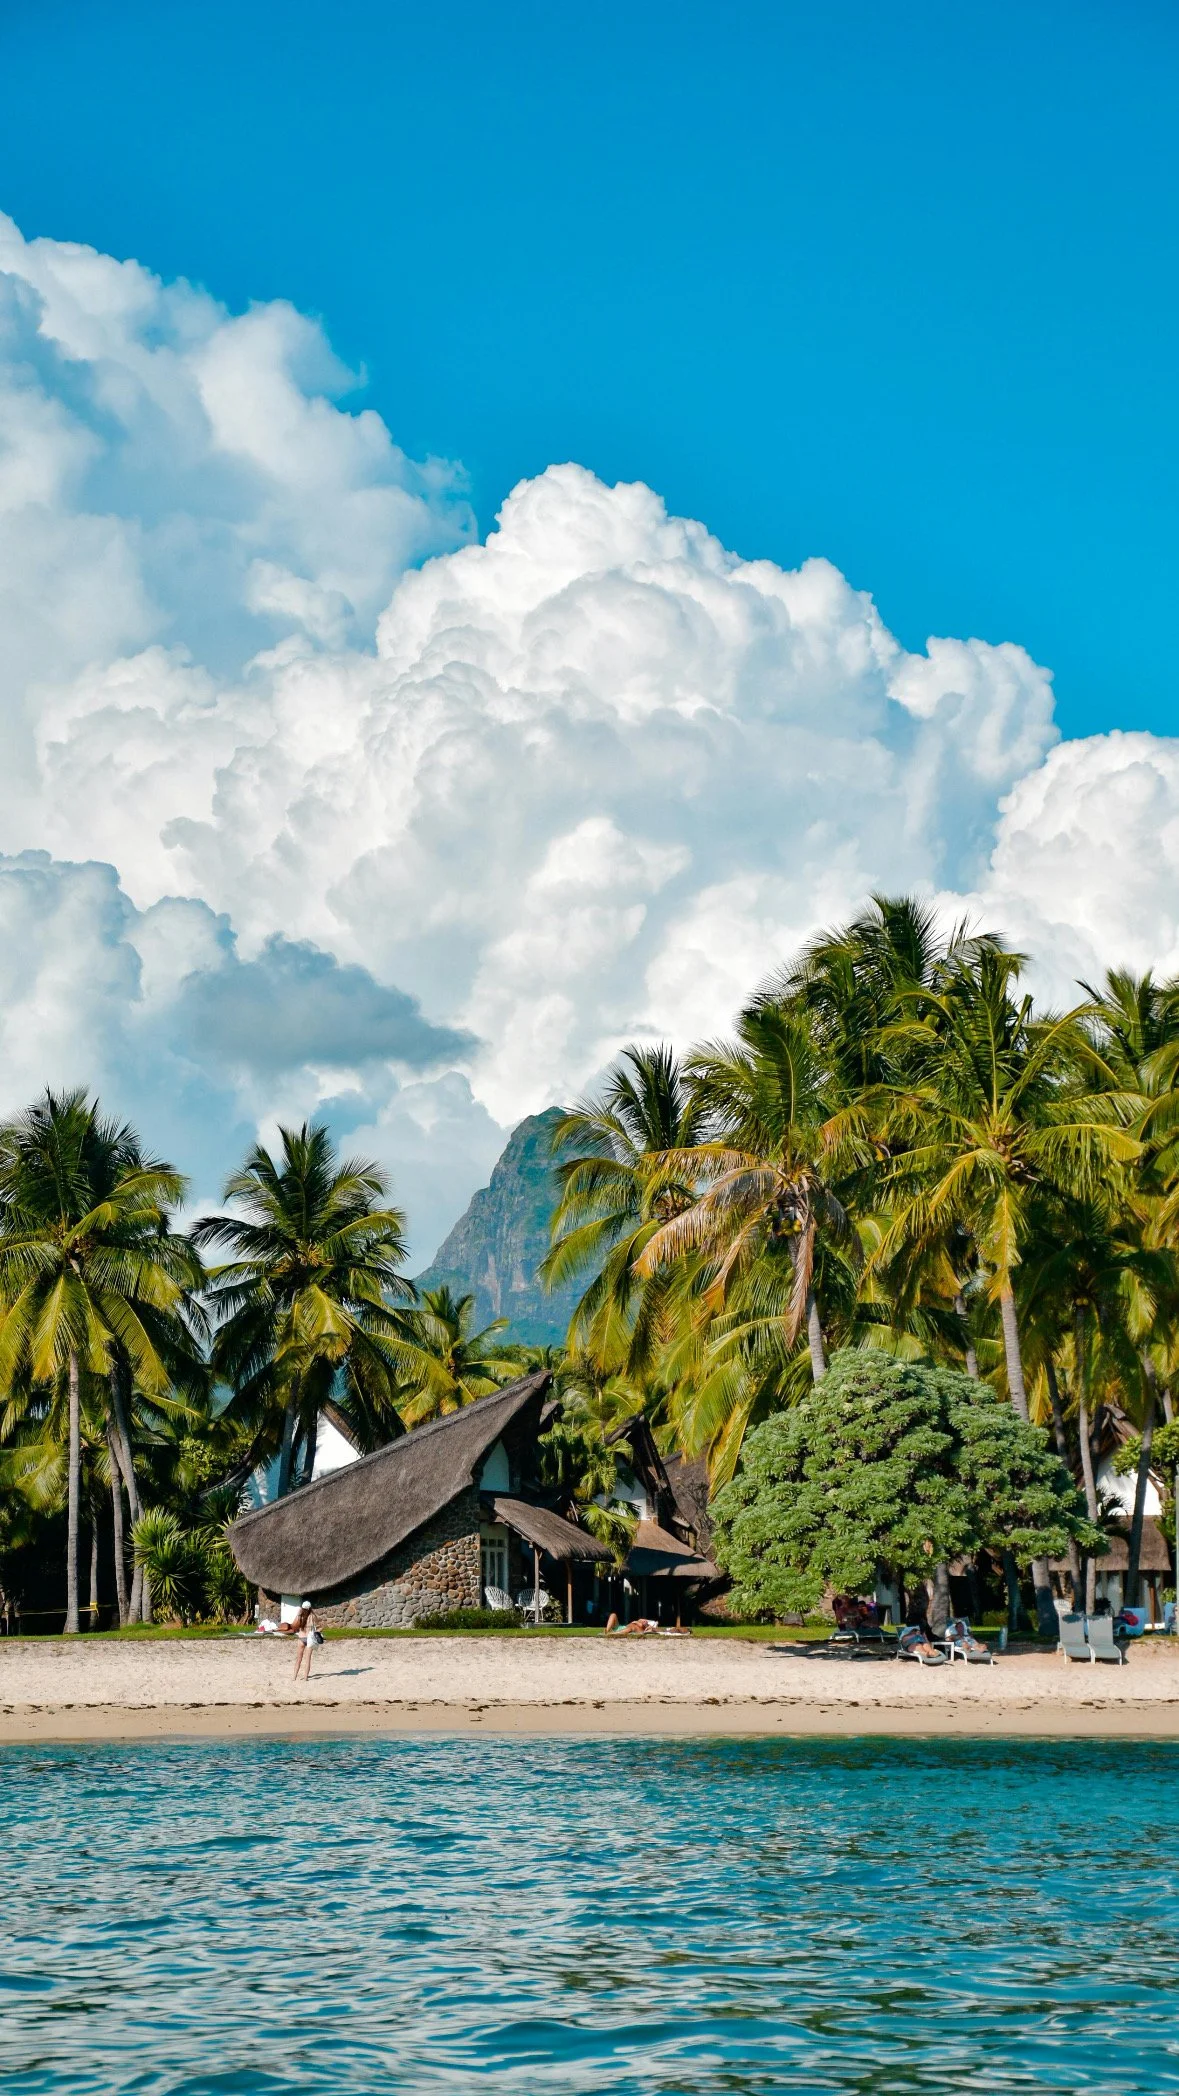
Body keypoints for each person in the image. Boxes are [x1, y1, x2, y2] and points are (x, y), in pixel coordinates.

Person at [291, 1601, 323, 1679]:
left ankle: (294, 1677)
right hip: (310, 1638)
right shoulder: (313, 1616)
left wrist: (298, 1614)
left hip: (301, 1638)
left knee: (299, 1659)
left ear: (302, 1607)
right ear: (310, 1608)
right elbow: (321, 1627)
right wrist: (317, 1632)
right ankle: (305, 1678)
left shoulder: (300, 1616)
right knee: (308, 1659)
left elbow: (293, 1626)